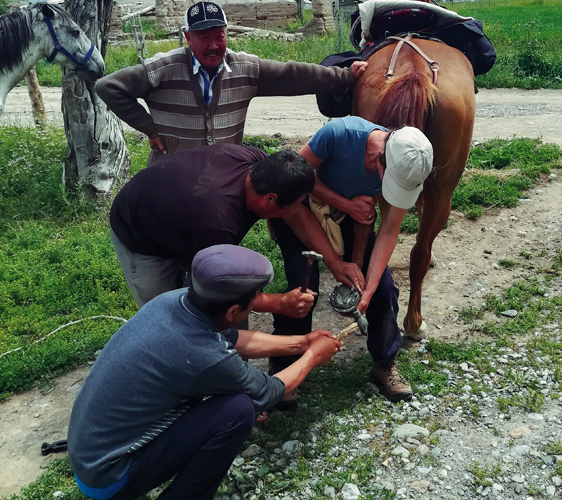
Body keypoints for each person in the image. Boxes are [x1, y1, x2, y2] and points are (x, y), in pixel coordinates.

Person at [67, 244, 342, 500]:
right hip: (109, 476)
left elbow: (233, 337)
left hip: (90, 454)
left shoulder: (175, 301)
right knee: (238, 410)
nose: (259, 299)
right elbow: (269, 392)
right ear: (233, 310)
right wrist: (313, 357)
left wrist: (302, 342)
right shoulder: (204, 354)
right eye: (256, 297)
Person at [270, 116, 433, 402]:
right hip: (304, 207)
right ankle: (284, 365)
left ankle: (384, 363)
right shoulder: (340, 133)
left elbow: (389, 230)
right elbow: (296, 180)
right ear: (381, 157)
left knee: (382, 287)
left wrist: (367, 290)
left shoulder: (409, 162)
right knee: (303, 289)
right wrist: (345, 204)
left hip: (351, 216)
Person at [95, 0, 367, 165]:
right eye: (204, 37)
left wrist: (344, 76)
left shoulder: (244, 68)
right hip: (170, 175)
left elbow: (292, 75)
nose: (214, 45)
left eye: (220, 36)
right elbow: (109, 86)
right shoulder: (162, 68)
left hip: (221, 178)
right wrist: (149, 129)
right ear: (188, 38)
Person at [109, 143, 364, 310]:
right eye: (293, 204)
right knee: (167, 315)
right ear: (269, 200)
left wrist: (334, 261)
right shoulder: (218, 223)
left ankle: (225, 361)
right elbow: (223, 286)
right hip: (140, 230)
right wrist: (280, 303)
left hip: (179, 211)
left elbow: (296, 215)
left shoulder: (258, 163)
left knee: (215, 311)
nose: (297, 209)